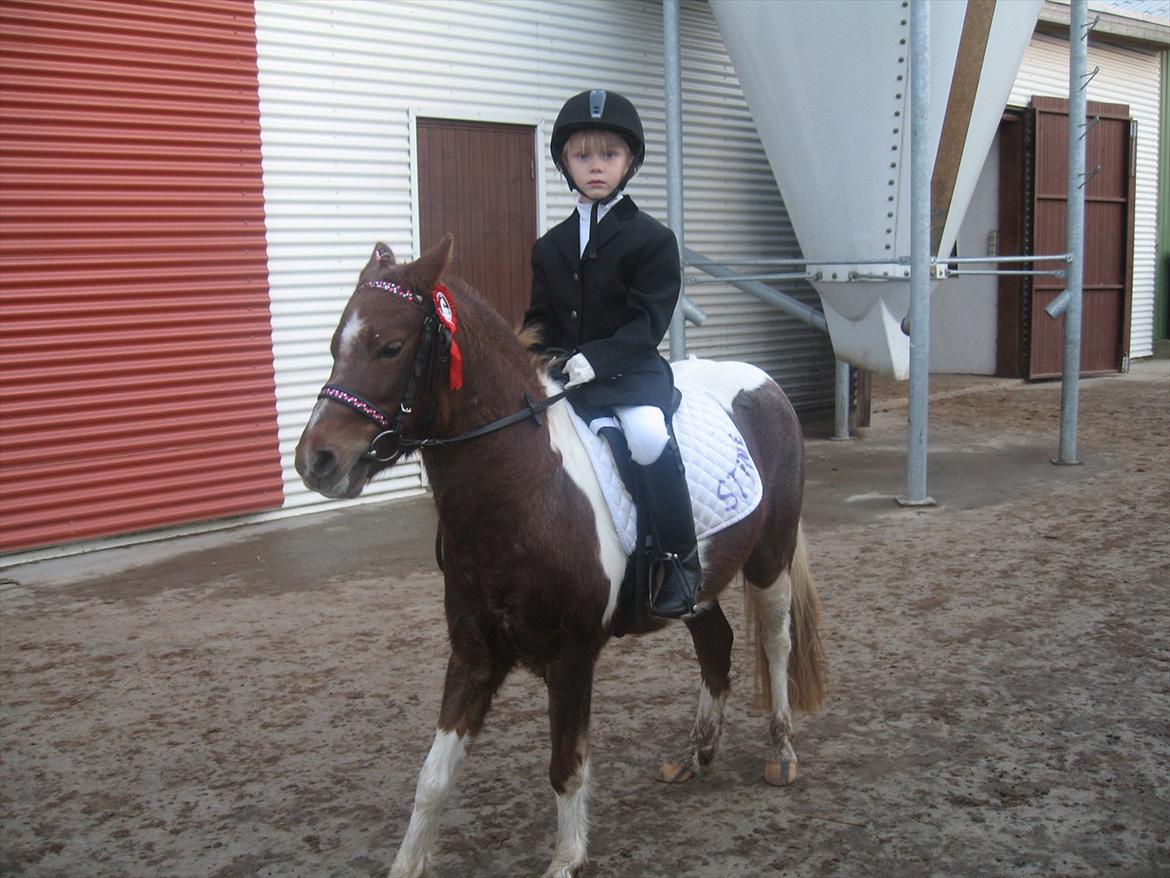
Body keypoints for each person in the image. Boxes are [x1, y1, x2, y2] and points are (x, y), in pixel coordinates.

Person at [523, 88, 700, 619]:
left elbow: (648, 322)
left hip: (631, 375)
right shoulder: (550, 246)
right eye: (582, 156)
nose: (595, 167)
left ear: (630, 163)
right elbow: (539, 321)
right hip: (569, 378)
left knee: (646, 437)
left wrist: (597, 359)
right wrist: (538, 359)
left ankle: (681, 559)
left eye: (608, 155)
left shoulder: (651, 239)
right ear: (564, 163)